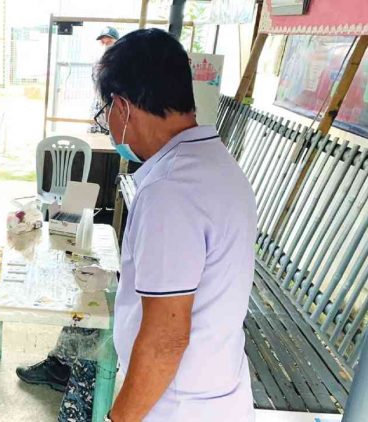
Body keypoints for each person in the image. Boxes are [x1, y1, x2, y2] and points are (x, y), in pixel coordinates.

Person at [100, 29, 256, 421]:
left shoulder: (170, 190)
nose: (107, 121)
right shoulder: (216, 164)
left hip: (174, 405)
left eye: (104, 111)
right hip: (215, 392)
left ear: (122, 106)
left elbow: (166, 340)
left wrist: (118, 418)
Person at [89, 26, 120, 134]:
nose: (106, 45)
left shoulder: (122, 62)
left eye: (109, 42)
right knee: (95, 139)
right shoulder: (97, 62)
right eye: (103, 42)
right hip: (98, 108)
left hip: (115, 108)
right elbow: (96, 84)